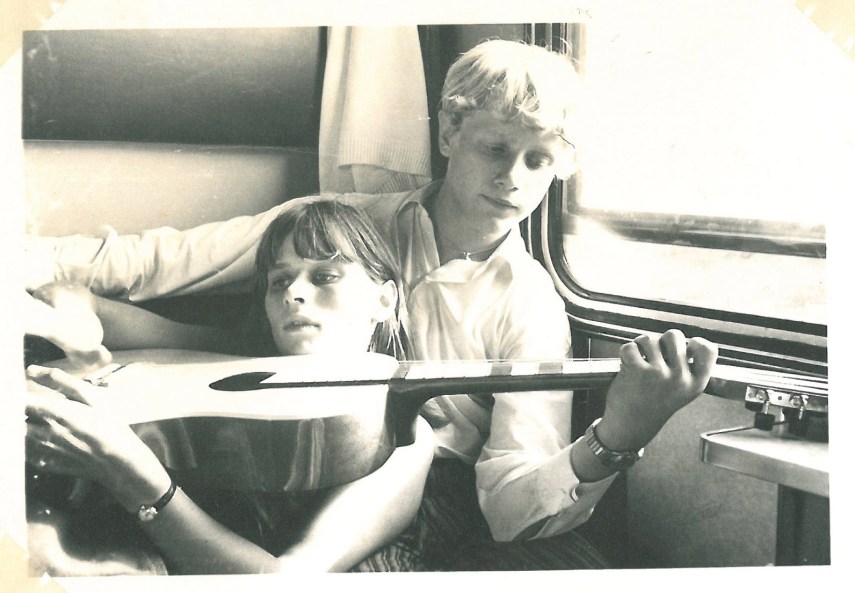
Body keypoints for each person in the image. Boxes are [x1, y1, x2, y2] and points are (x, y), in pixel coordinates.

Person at [26, 39, 718, 569]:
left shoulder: (531, 304)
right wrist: (35, 270)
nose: (512, 178)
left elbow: (506, 505)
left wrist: (617, 436)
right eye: (494, 148)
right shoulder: (333, 228)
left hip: (405, 480)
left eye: (537, 161)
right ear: (449, 136)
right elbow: (158, 260)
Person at [24, 200, 436, 575]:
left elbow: (284, 581)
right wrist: (75, 322)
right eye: (279, 281)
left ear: (384, 300)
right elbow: (78, 298)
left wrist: (131, 471)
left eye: (324, 276)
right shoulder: (239, 357)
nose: (293, 292)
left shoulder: (402, 434)